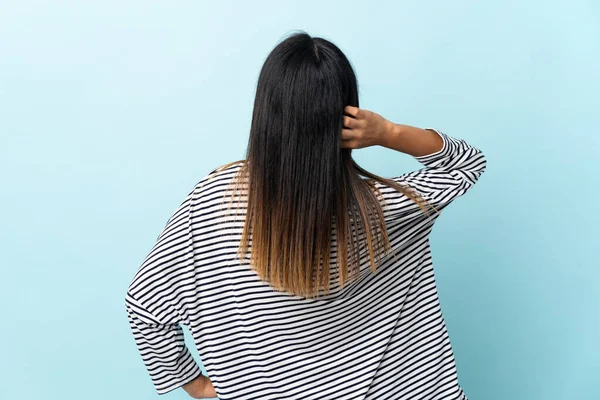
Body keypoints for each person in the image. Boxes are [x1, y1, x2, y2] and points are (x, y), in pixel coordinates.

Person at [125, 31, 486, 400]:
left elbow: (144, 307)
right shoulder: (384, 210)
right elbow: (466, 163)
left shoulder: (214, 204)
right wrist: (387, 132)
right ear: (347, 118)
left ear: (265, 113)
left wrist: (199, 386)